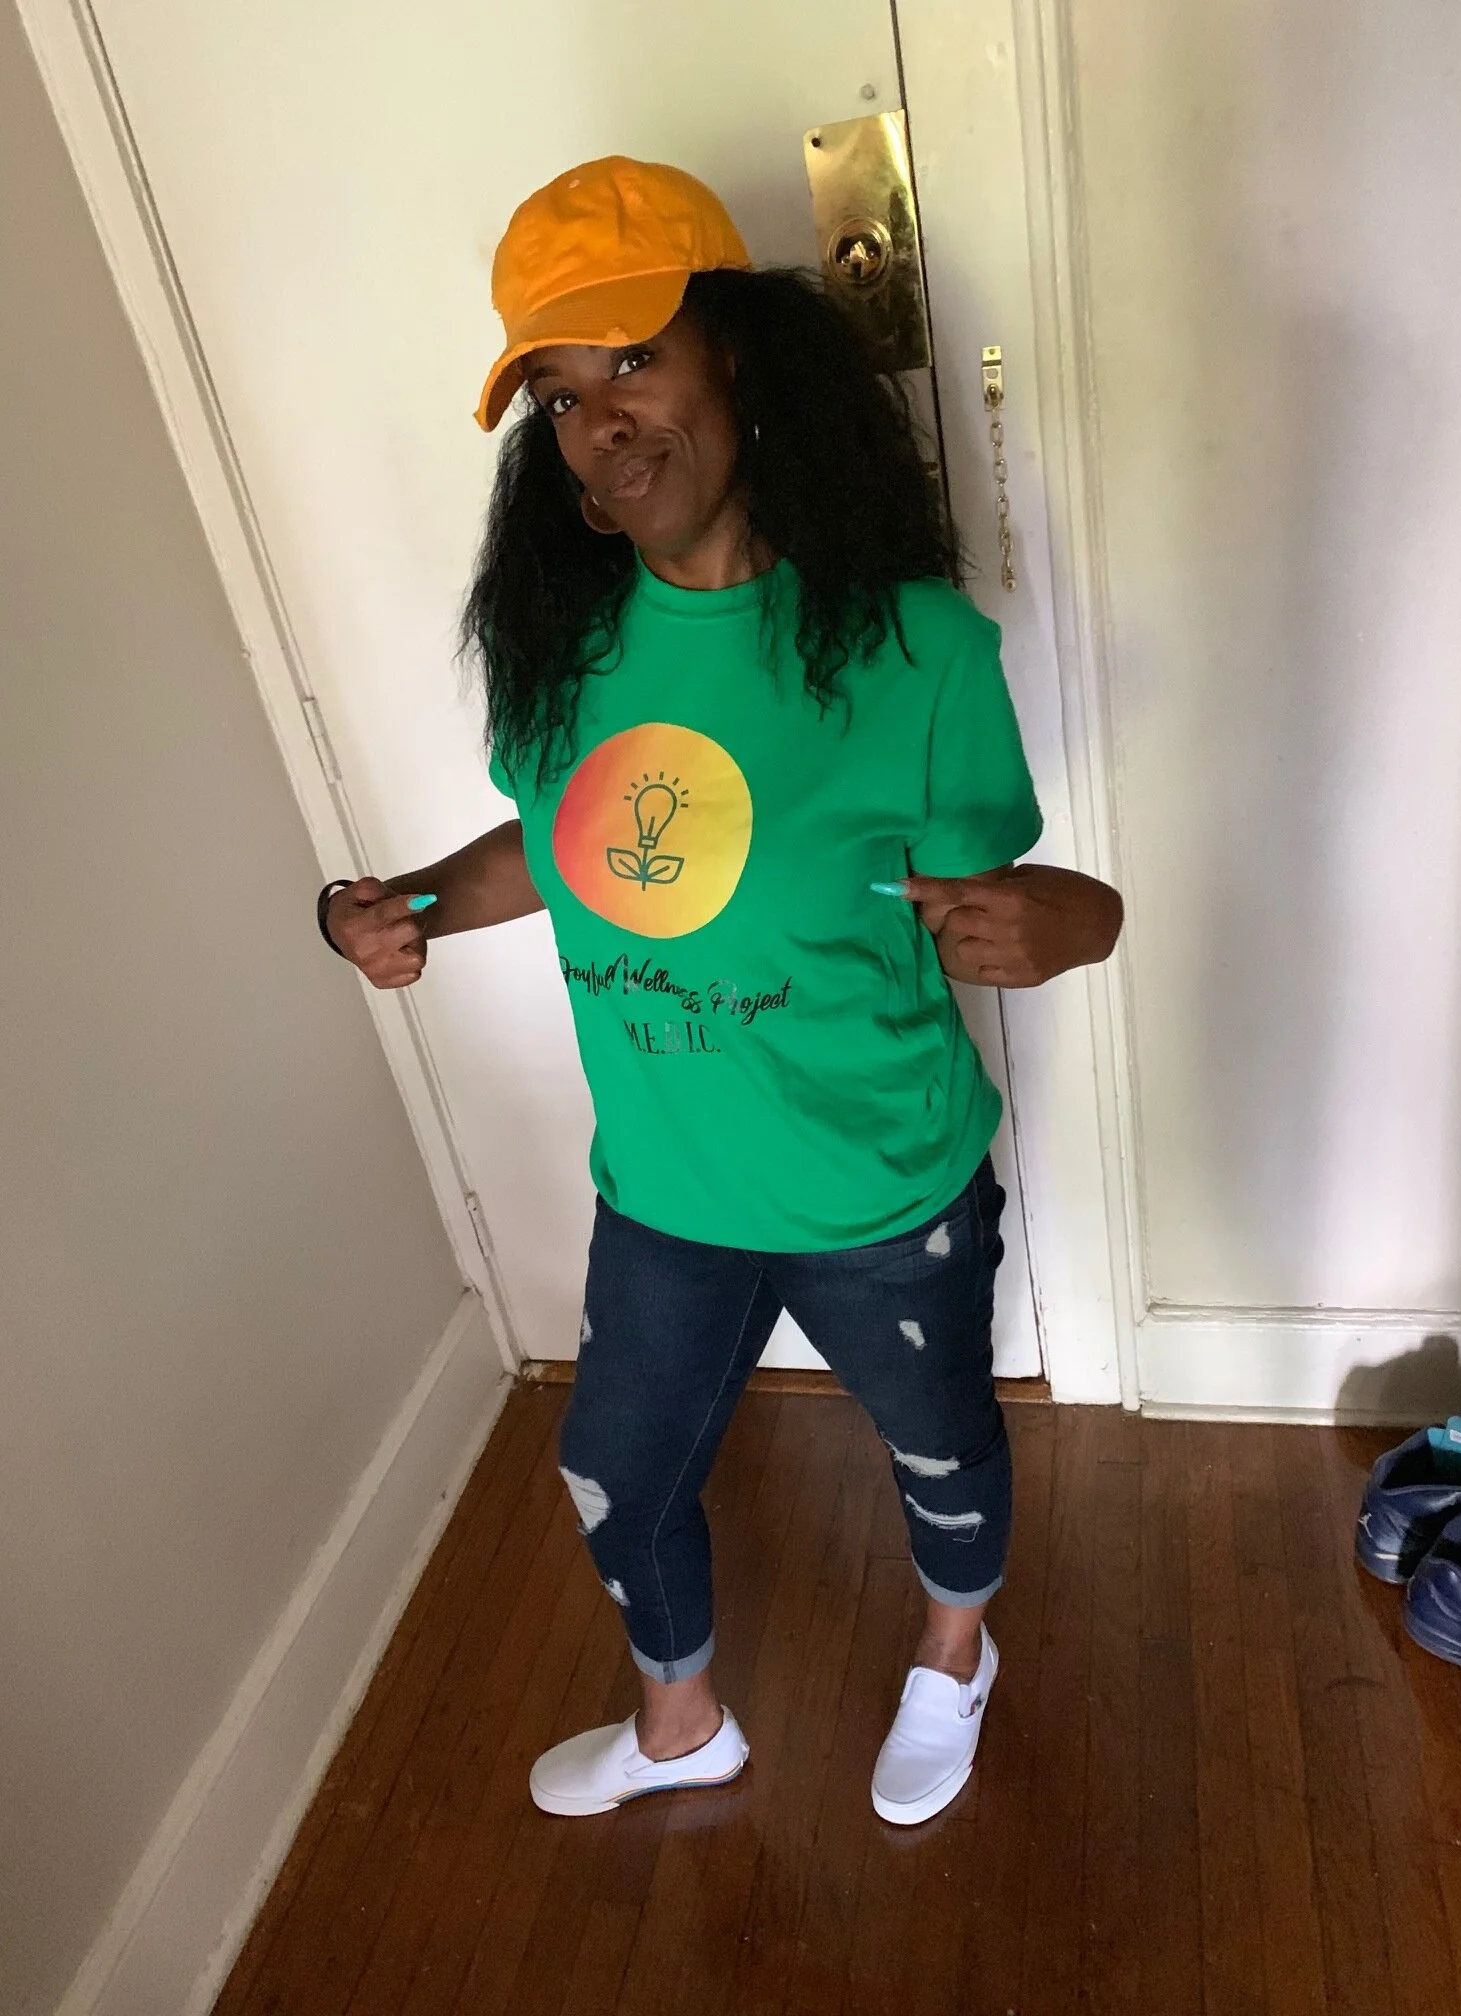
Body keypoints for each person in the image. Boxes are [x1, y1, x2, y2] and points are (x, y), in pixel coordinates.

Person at [320, 156, 1122, 1825]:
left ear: (738, 362)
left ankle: (955, 1656)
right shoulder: (562, 648)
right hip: (667, 1191)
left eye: (633, 361)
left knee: (941, 1447)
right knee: (614, 1467)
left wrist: (1077, 918)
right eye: (560, 394)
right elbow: (560, 847)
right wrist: (398, 909)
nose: (601, 421)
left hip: (878, 1189)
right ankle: (682, 1725)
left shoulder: (915, 651)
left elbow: (1007, 905)